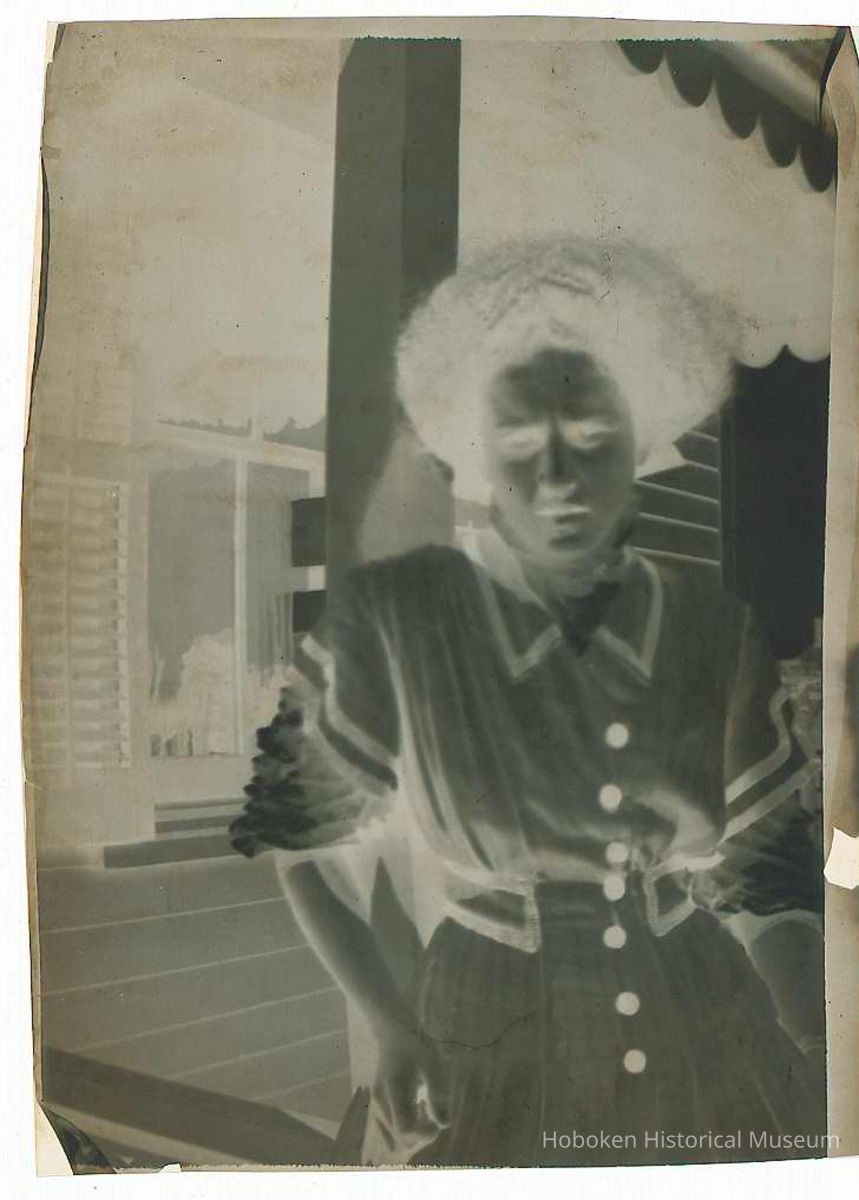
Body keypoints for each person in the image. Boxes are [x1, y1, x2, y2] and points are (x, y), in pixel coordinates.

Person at [230, 238, 827, 1167]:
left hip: (705, 1022)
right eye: (517, 440)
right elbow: (309, 842)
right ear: (476, 455)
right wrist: (391, 1027)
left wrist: (813, 1043)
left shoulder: (714, 629)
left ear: (640, 437)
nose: (557, 474)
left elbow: (762, 869)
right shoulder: (402, 615)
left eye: (589, 435)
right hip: (487, 1033)